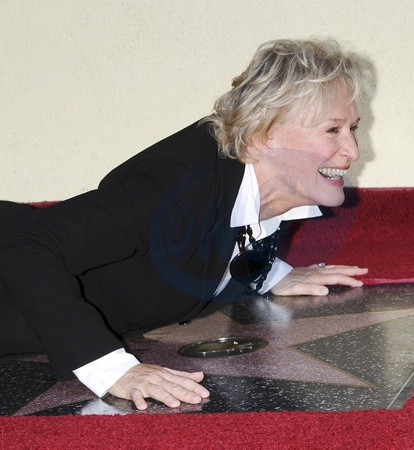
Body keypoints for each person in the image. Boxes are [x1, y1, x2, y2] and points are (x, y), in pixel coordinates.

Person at [0, 38, 368, 410]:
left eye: (353, 128)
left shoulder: (266, 183)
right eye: (332, 130)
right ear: (263, 135)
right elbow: (29, 249)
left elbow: (225, 231)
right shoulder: (178, 183)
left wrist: (266, 273)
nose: (352, 150)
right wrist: (113, 370)